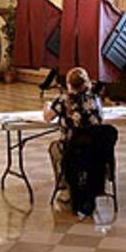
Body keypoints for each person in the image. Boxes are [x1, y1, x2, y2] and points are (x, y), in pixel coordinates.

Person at [43, 67, 103, 214]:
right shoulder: (94, 98)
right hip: (94, 149)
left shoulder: (64, 99)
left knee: (54, 148)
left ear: (69, 84)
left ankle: (65, 187)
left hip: (72, 149)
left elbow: (48, 117)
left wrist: (46, 106)